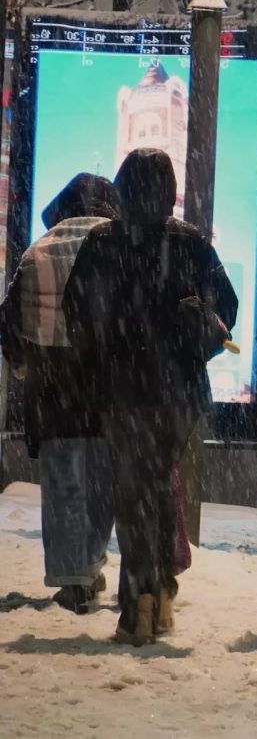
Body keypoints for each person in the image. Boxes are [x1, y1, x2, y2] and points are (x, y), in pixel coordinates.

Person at [63, 148, 238, 646]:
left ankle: (139, 600)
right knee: (157, 482)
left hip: (121, 388)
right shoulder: (190, 242)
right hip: (178, 393)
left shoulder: (101, 242)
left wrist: (101, 351)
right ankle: (158, 593)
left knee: (132, 490)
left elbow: (75, 313)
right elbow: (228, 305)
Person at [0, 174, 119, 613]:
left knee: (63, 483)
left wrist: (21, 364)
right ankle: (90, 560)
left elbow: (10, 319)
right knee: (103, 480)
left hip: (51, 386)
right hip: (106, 385)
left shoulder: (38, 250)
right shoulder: (116, 245)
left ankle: (73, 578)